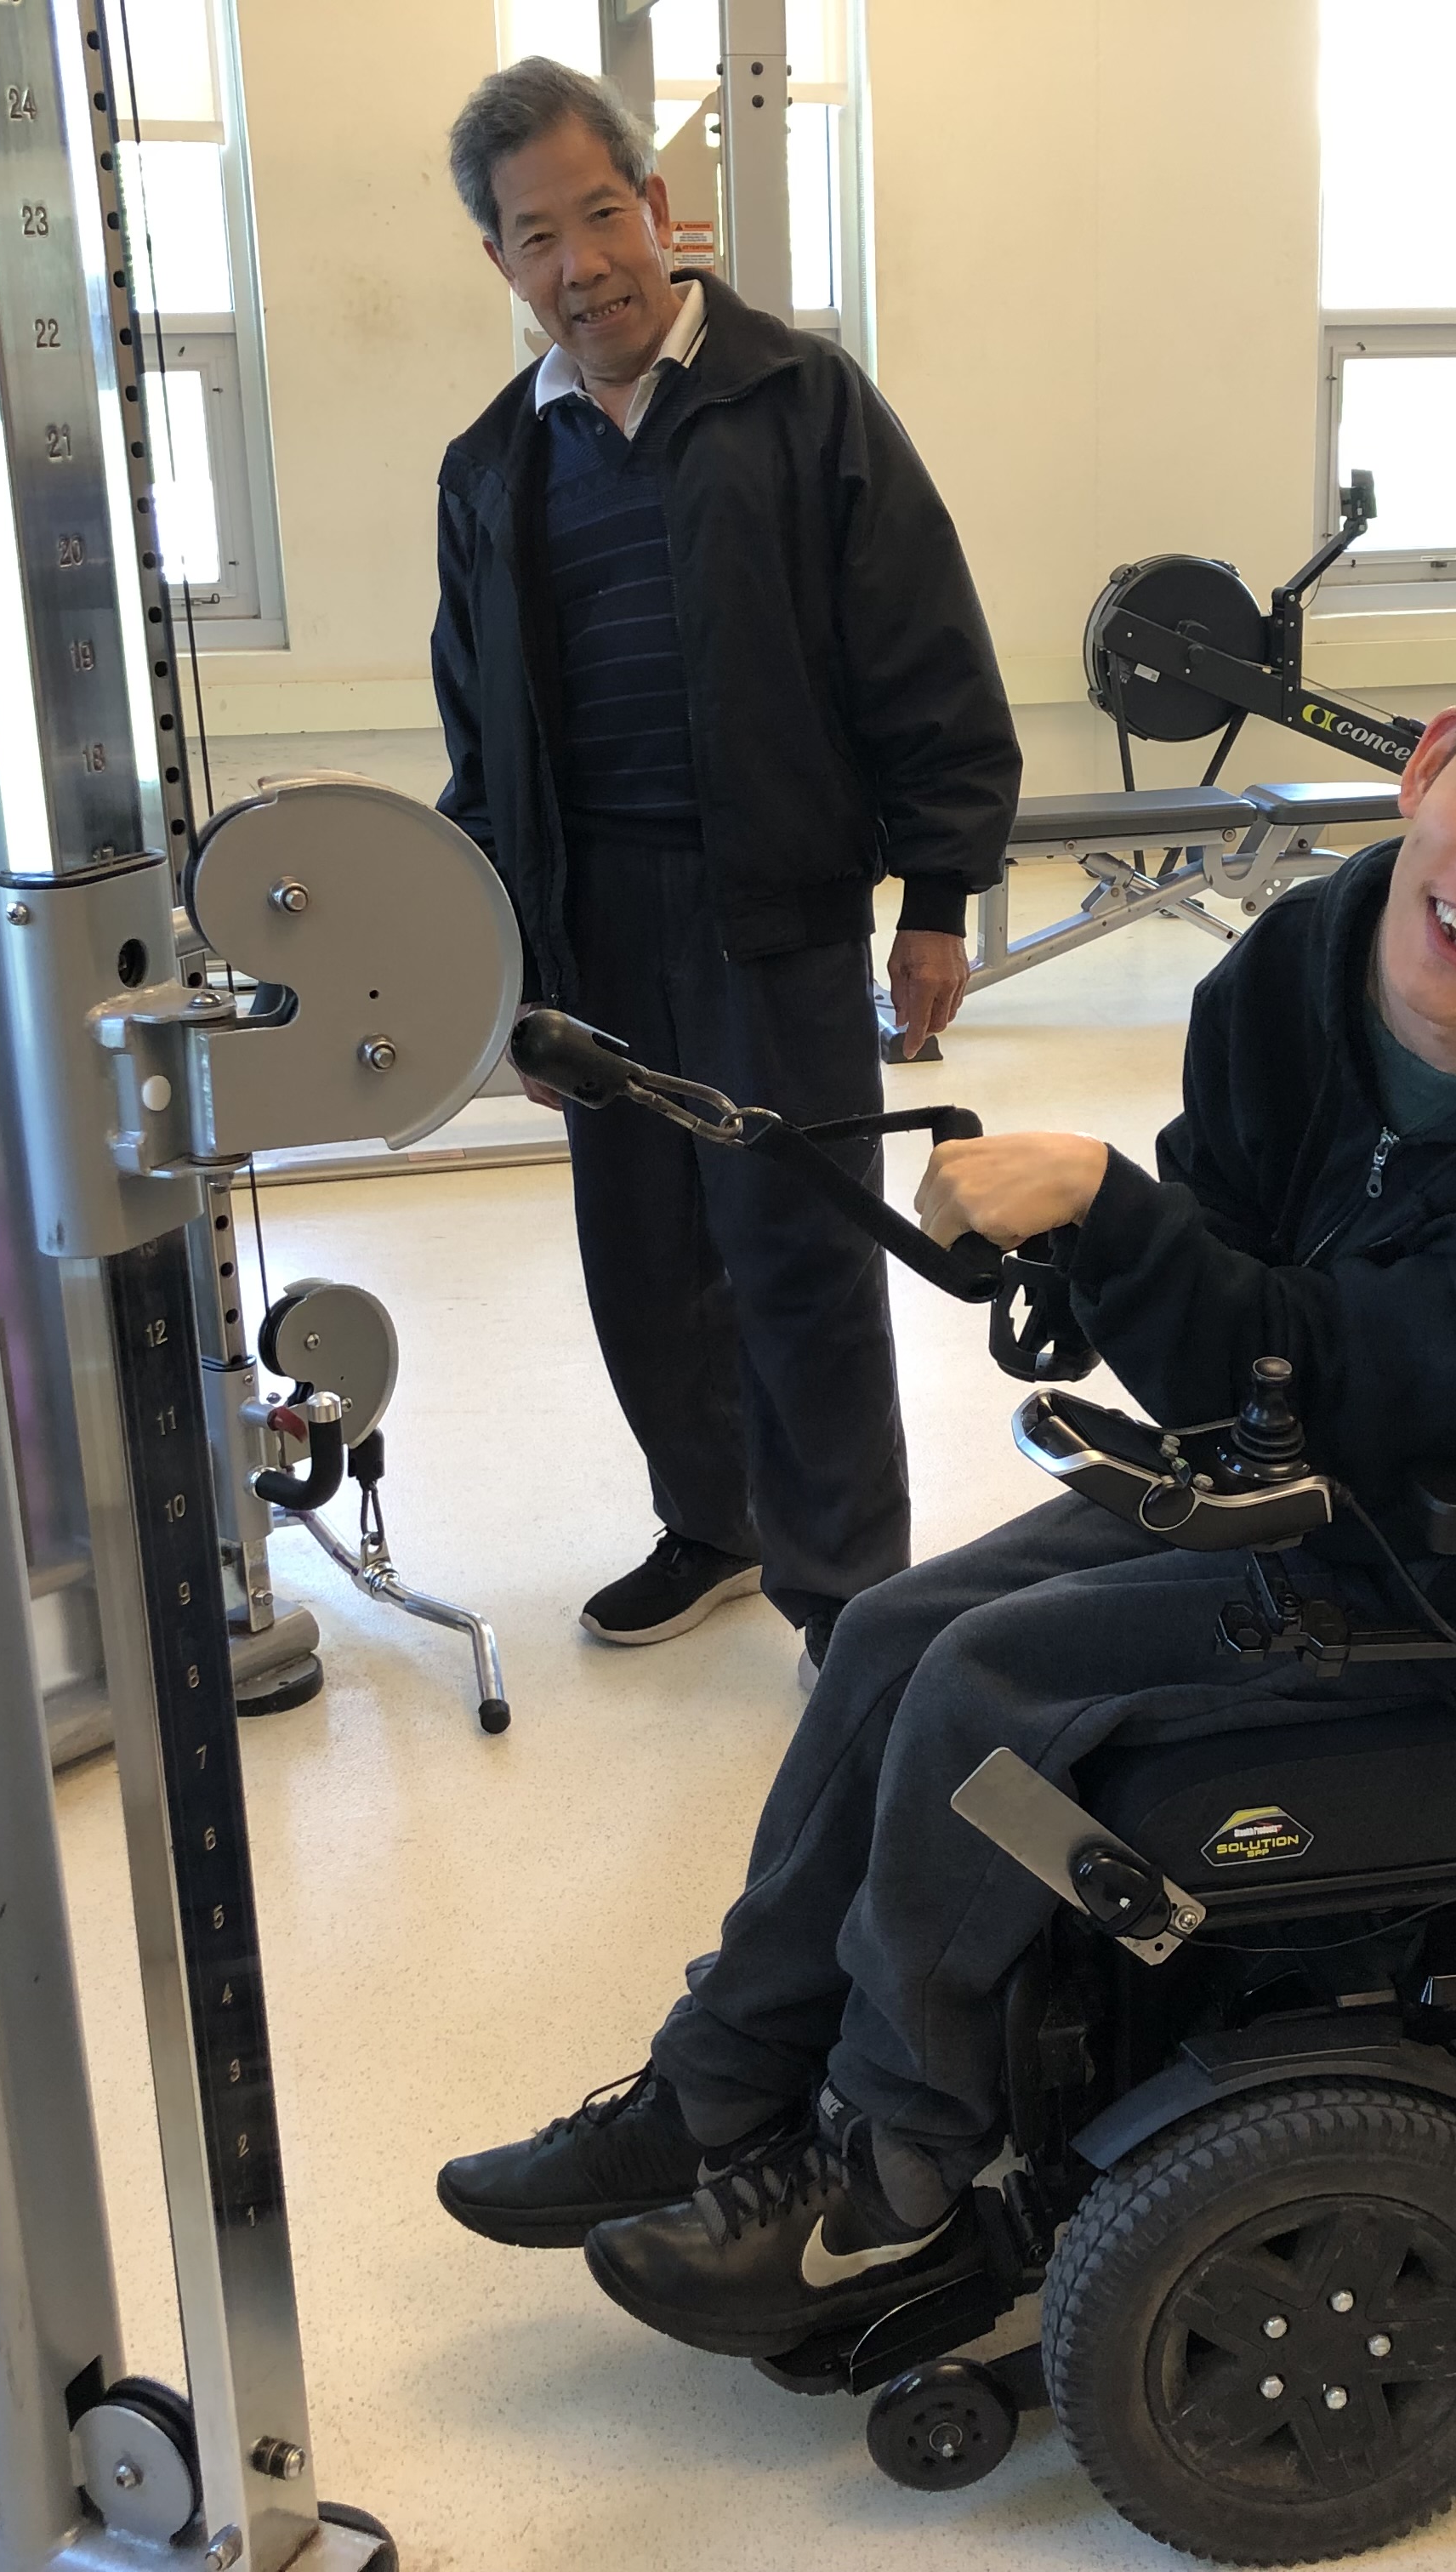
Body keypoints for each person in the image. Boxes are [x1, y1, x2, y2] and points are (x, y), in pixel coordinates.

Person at [433, 628, 1456, 2362]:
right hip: (1310, 1491)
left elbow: (1372, 1381)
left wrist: (1113, 1215)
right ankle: (718, 2082)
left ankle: (891, 2171)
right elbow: (1231, 1303)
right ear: (1431, 759)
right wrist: (1099, 1257)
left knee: (986, 1686)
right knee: (894, 1627)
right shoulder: (1302, 959)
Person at [432, 60, 1021, 1669]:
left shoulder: (800, 402)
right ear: (500, 261)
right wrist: (509, 973)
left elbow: (924, 655)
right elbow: (480, 746)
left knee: (799, 1250)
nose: (580, 266)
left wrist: (938, 898)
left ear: (657, 207)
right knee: (642, 1253)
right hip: (590, 922)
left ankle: (845, 1590)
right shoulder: (491, 466)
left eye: (600, 215)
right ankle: (712, 1521)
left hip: (772, 908)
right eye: (536, 237)